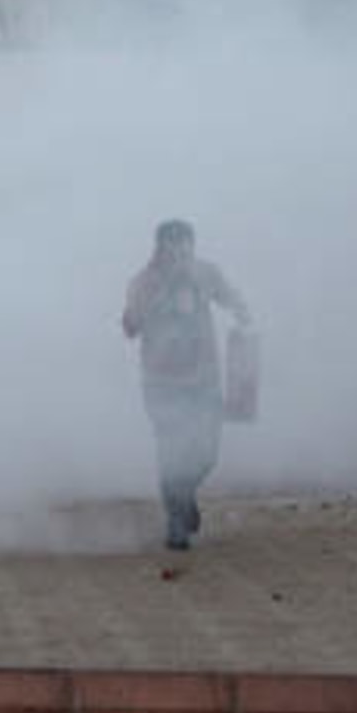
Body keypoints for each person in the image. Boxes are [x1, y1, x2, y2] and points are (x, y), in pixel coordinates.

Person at [121, 219, 253, 551]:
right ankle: (176, 524)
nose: (180, 250)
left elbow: (229, 296)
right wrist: (157, 297)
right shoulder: (145, 281)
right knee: (170, 453)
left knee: (207, 454)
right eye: (173, 243)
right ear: (159, 247)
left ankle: (185, 495)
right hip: (161, 383)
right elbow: (130, 327)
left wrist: (243, 313)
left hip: (204, 379)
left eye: (185, 243)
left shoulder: (205, 273)